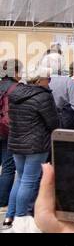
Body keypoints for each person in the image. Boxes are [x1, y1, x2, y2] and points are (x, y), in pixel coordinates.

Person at [4, 58, 59, 228]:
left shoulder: (15, 93)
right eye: (48, 78)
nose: (49, 82)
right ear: (40, 79)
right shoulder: (43, 96)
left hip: (16, 141)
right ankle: (22, 219)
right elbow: (53, 123)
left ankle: (9, 216)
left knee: (20, 179)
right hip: (36, 144)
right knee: (28, 180)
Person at [0, 59, 21, 213]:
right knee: (8, 168)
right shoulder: (17, 88)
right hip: (8, 131)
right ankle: (2, 201)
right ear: (15, 72)